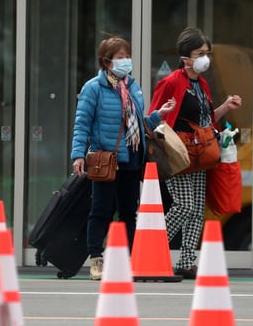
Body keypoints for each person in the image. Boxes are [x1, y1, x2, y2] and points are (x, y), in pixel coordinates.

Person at [70, 36, 176, 280]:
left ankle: (126, 260)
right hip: (106, 159)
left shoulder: (133, 86)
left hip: (132, 159)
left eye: (127, 56)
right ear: (106, 62)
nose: (125, 61)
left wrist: (158, 115)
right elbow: (82, 124)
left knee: (129, 211)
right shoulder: (93, 88)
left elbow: (138, 124)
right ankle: (96, 259)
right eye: (120, 57)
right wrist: (78, 155)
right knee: (101, 211)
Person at [148, 27, 242, 279]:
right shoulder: (170, 82)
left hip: (202, 154)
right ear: (185, 57)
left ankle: (187, 261)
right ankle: (149, 249)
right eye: (200, 53)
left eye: (207, 53)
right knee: (185, 205)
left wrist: (224, 107)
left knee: (197, 209)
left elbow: (207, 120)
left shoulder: (202, 85)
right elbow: (152, 118)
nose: (205, 58)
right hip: (178, 153)